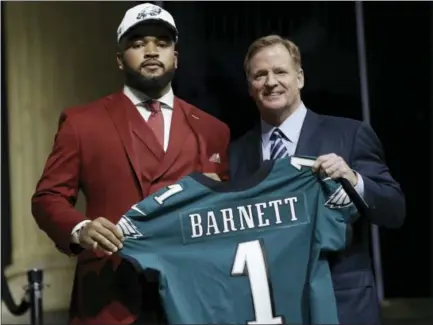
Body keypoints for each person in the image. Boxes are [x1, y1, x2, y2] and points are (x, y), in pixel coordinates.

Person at [31, 3, 230, 325]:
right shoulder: (82, 123)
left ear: (175, 58)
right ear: (120, 59)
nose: (151, 51)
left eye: (162, 44)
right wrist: (80, 229)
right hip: (109, 296)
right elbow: (47, 198)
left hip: (190, 297)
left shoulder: (212, 129)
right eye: (137, 44)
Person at [229, 34, 406, 325]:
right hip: (268, 308)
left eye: (280, 71)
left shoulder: (349, 134)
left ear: (300, 78)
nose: (271, 82)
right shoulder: (235, 154)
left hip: (342, 305)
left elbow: (395, 210)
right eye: (260, 75)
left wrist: (353, 179)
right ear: (250, 87)